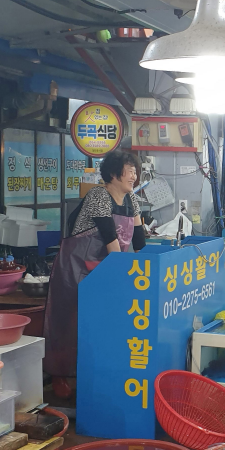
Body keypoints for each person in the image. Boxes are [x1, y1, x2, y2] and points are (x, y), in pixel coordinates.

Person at [44, 150, 147, 396]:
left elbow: (140, 240)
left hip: (108, 267)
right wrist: (127, 275)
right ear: (113, 173)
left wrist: (146, 266)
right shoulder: (98, 195)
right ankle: (60, 375)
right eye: (128, 170)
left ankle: (95, 374)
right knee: (70, 323)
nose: (133, 176)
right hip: (78, 269)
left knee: (101, 325)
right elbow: (111, 239)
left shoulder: (132, 199)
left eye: (135, 170)